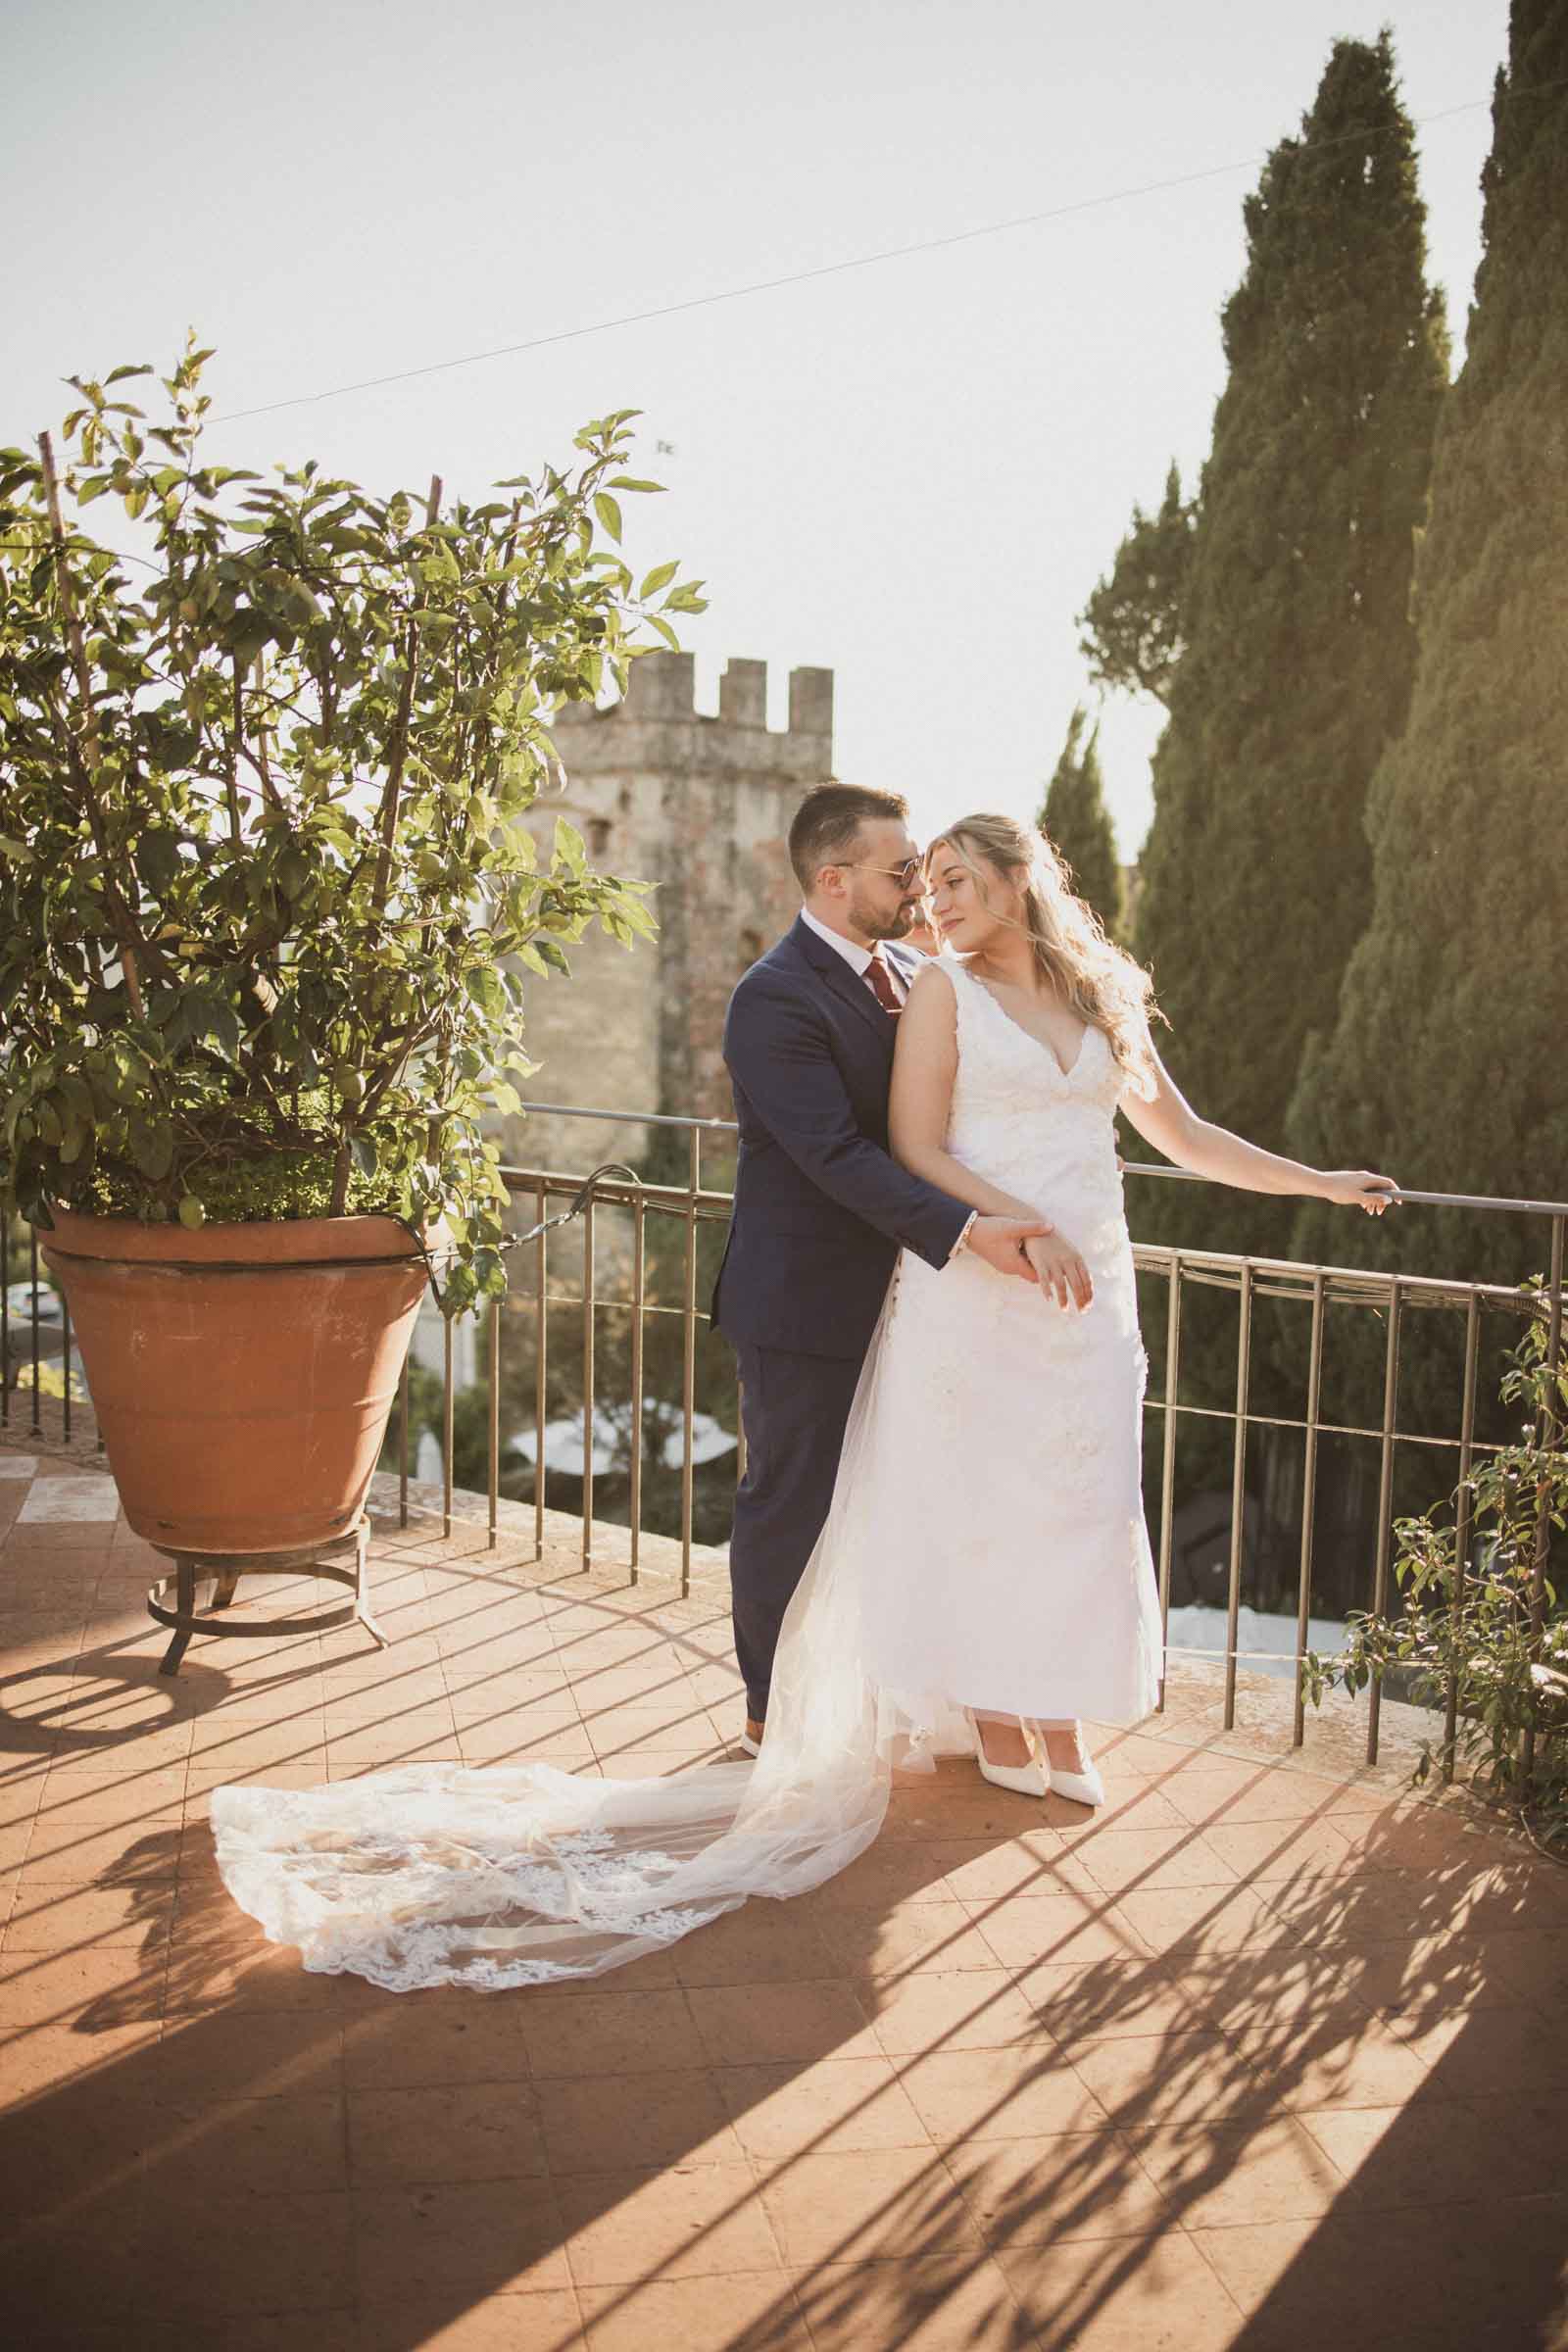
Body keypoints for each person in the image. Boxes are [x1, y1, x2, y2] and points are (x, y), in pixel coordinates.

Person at [209, 810, 1397, 1991]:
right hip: (979, 1277)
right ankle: (947, 1708)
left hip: (1092, 1298)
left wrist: (1322, 1182)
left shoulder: (1095, 1000)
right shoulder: (919, 991)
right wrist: (1008, 1234)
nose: (931, 899)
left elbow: (1180, 1134)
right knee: (949, 1496)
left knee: (1078, 1501)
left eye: (949, 878)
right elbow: (899, 1146)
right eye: (916, 879)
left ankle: (1052, 1702)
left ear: (1017, 878)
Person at [710, 782, 1049, 1761]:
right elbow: (839, 1158)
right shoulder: (771, 999)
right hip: (801, 1303)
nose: (915, 885)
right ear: (832, 879)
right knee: (791, 1502)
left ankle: (881, 1682)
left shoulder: (912, 968)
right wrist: (970, 1227)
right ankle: (768, 1711)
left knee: (900, 1498)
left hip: (913, 1303)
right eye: (899, 870)